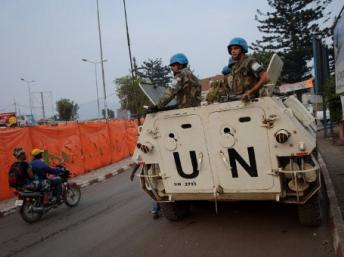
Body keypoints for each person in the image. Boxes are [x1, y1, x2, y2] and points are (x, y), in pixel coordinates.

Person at [227, 37, 269, 101]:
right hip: (240, 101)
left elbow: (265, 77)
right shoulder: (235, 67)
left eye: (236, 48)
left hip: (252, 101)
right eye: (231, 49)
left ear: (242, 49)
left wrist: (250, 92)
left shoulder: (250, 62)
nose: (232, 51)